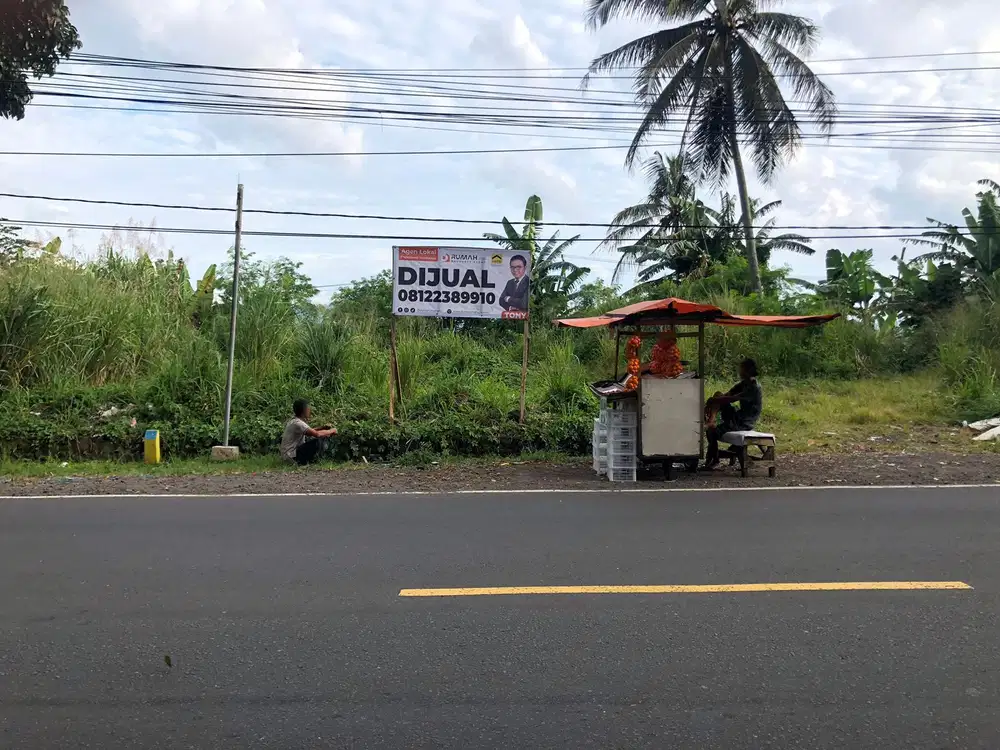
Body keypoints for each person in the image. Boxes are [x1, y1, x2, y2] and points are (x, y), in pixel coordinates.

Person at [704, 358, 763, 469]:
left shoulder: (753, 387)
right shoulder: (743, 384)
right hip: (738, 417)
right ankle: (711, 420)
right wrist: (714, 401)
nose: (739, 371)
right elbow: (727, 395)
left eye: (741, 368)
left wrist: (715, 401)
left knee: (712, 432)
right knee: (718, 395)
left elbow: (733, 398)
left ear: (746, 370)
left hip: (744, 422)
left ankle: (713, 459)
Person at [280, 398, 337, 466]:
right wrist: (332, 430)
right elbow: (317, 434)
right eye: (308, 408)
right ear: (304, 410)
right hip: (292, 457)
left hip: (288, 455)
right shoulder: (298, 423)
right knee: (318, 441)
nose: (309, 410)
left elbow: (309, 431)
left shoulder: (293, 421)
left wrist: (321, 428)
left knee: (318, 438)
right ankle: (315, 461)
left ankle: (311, 461)